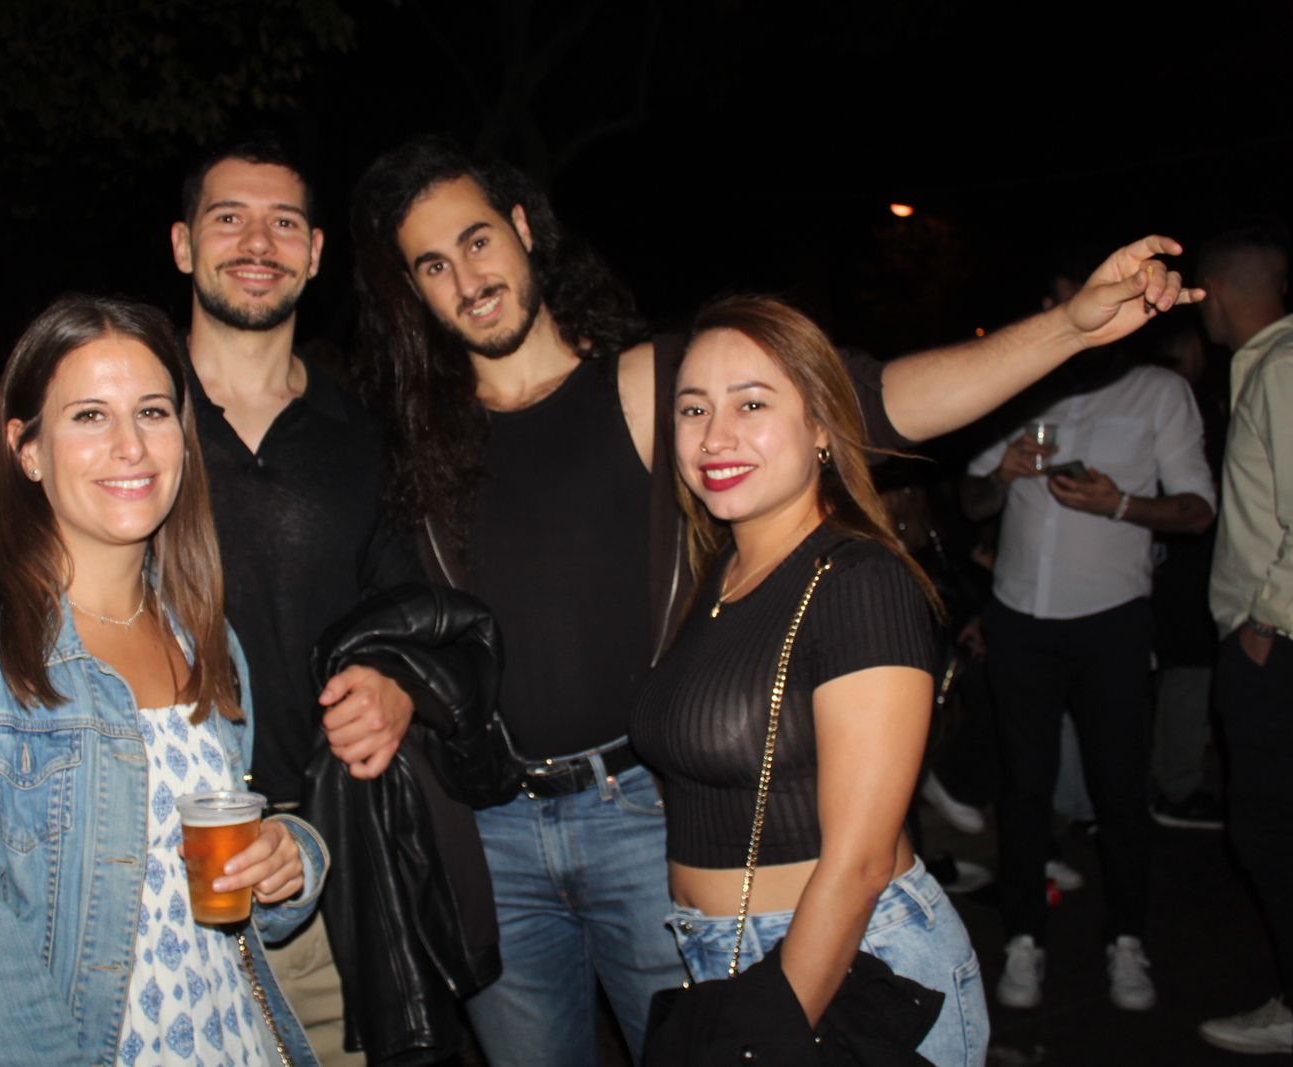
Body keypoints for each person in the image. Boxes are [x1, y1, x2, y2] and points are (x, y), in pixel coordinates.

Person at [348, 135, 1199, 1065]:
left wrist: (1070, 327)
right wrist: (388, 677)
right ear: (413, 291)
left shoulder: (658, 387)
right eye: (433, 264)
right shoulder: (418, 442)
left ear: (520, 228)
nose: (467, 278)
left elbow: (874, 400)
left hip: (648, 809)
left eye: (476, 240)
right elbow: (397, 603)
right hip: (498, 832)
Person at [0, 295, 327, 1066]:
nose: (131, 445)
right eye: (89, 416)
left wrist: (290, 856)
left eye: (151, 411)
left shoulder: (205, 635)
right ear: (26, 449)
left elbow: (227, 878)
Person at [170, 138, 507, 1065]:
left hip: (312, 873)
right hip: (145, 872)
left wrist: (398, 686)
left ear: (314, 255)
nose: (256, 241)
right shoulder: (128, 421)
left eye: (284, 222)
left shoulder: (365, 436)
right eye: (227, 217)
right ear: (182, 245)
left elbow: (417, 609)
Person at [630, 296, 985, 1065]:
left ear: (822, 425)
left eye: (751, 403)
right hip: (724, 954)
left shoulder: (859, 579)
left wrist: (761, 1036)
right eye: (693, 408)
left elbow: (857, 864)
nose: (714, 436)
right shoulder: (719, 572)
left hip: (848, 960)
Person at [961, 268, 1215, 1013]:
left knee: (1118, 788)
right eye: (1051, 302)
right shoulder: (1022, 390)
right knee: (1025, 787)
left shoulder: (1158, 392)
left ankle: (1127, 939)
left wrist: (1120, 502)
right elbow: (970, 499)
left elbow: (1198, 510)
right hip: (1018, 620)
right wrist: (1003, 474)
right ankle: (1022, 939)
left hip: (1110, 620)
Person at [1198, 220, 1293, 1056]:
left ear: (1220, 296)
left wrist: (1267, 618)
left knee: (1267, 829)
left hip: (1279, 647)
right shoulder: (1267, 367)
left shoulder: (1283, 370)